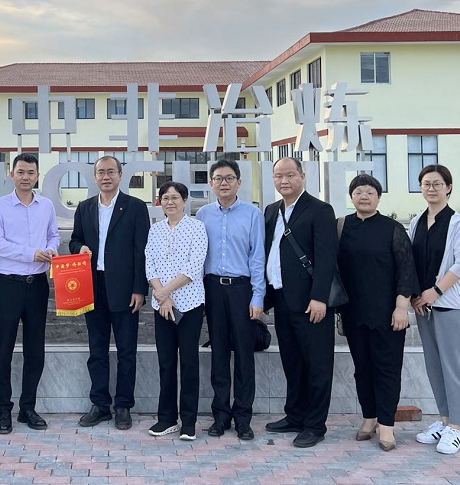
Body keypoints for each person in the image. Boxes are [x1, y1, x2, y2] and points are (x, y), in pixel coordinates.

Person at [338, 174, 418, 451]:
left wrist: (401, 307)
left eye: (370, 192)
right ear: (351, 197)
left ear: (379, 198)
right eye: (358, 192)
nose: (364, 196)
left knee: (387, 369)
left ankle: (386, 425)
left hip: (388, 314)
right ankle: (369, 417)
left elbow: (406, 270)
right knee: (362, 369)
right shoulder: (342, 227)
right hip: (353, 312)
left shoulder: (392, 229)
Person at [70, 156, 150, 431]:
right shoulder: (85, 207)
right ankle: (100, 405)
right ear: (94, 177)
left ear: (120, 175)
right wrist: (79, 248)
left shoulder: (135, 207)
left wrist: (139, 288)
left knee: (127, 350)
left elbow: (142, 250)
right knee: (97, 350)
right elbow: (75, 239)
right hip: (92, 287)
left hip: (125, 290)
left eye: (111, 172)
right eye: (101, 172)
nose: (106, 177)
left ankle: (123, 406)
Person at [263, 156, 338, 448]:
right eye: (278, 176)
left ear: (302, 176)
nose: (284, 181)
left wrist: (319, 297)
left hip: (311, 303)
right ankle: (295, 415)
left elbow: (327, 258)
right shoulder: (272, 210)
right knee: (292, 362)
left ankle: (315, 425)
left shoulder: (319, 210)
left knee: (317, 365)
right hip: (282, 299)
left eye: (290, 175)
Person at [0, 152, 60, 434]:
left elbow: (53, 235)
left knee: (35, 350)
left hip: (38, 285)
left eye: (31, 172)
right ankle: (3, 410)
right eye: (21, 172)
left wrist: (51, 249)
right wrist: (31, 253)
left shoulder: (46, 206)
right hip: (9, 285)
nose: (26, 177)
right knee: (3, 350)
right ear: (12, 174)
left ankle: (28, 408)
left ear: (37, 175)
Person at [196, 159, 266, 440]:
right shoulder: (202, 214)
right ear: (211, 183)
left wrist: (258, 296)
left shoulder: (253, 214)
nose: (223, 183)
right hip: (213, 288)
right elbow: (197, 256)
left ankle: (243, 418)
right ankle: (221, 416)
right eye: (218, 178)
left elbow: (257, 256)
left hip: (242, 290)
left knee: (244, 356)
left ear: (239, 182)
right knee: (219, 354)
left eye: (228, 178)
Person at [409, 164, 460, 455]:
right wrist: (417, 296)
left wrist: (435, 292)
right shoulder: (416, 222)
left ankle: (456, 427)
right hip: (424, 307)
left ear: (448, 187)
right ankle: (444, 421)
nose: (431, 188)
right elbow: (412, 261)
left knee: (454, 367)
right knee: (435, 366)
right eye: (426, 184)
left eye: (437, 184)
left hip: (450, 305)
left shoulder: (458, 224)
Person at [145, 182, 208, 441]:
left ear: (184, 201)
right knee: (166, 362)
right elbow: (149, 264)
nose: (170, 202)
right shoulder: (155, 229)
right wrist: (162, 296)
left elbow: (194, 266)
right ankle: (167, 419)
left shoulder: (197, 227)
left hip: (190, 304)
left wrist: (165, 292)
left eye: (175, 197)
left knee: (189, 362)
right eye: (165, 198)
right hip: (162, 307)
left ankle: (189, 422)